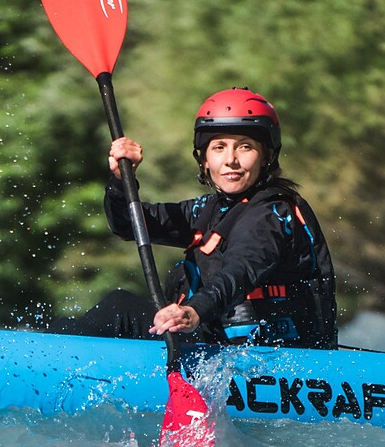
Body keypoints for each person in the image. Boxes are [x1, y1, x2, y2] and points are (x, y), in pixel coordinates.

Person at [50, 88, 339, 348]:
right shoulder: (209, 210)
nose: (231, 160)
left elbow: (240, 270)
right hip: (221, 346)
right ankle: (48, 352)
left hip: (275, 357)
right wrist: (120, 180)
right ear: (204, 160)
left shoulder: (273, 213)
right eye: (219, 147)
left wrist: (194, 310)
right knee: (108, 309)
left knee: (120, 309)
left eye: (245, 146)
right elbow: (128, 224)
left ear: (266, 157)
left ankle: (49, 361)